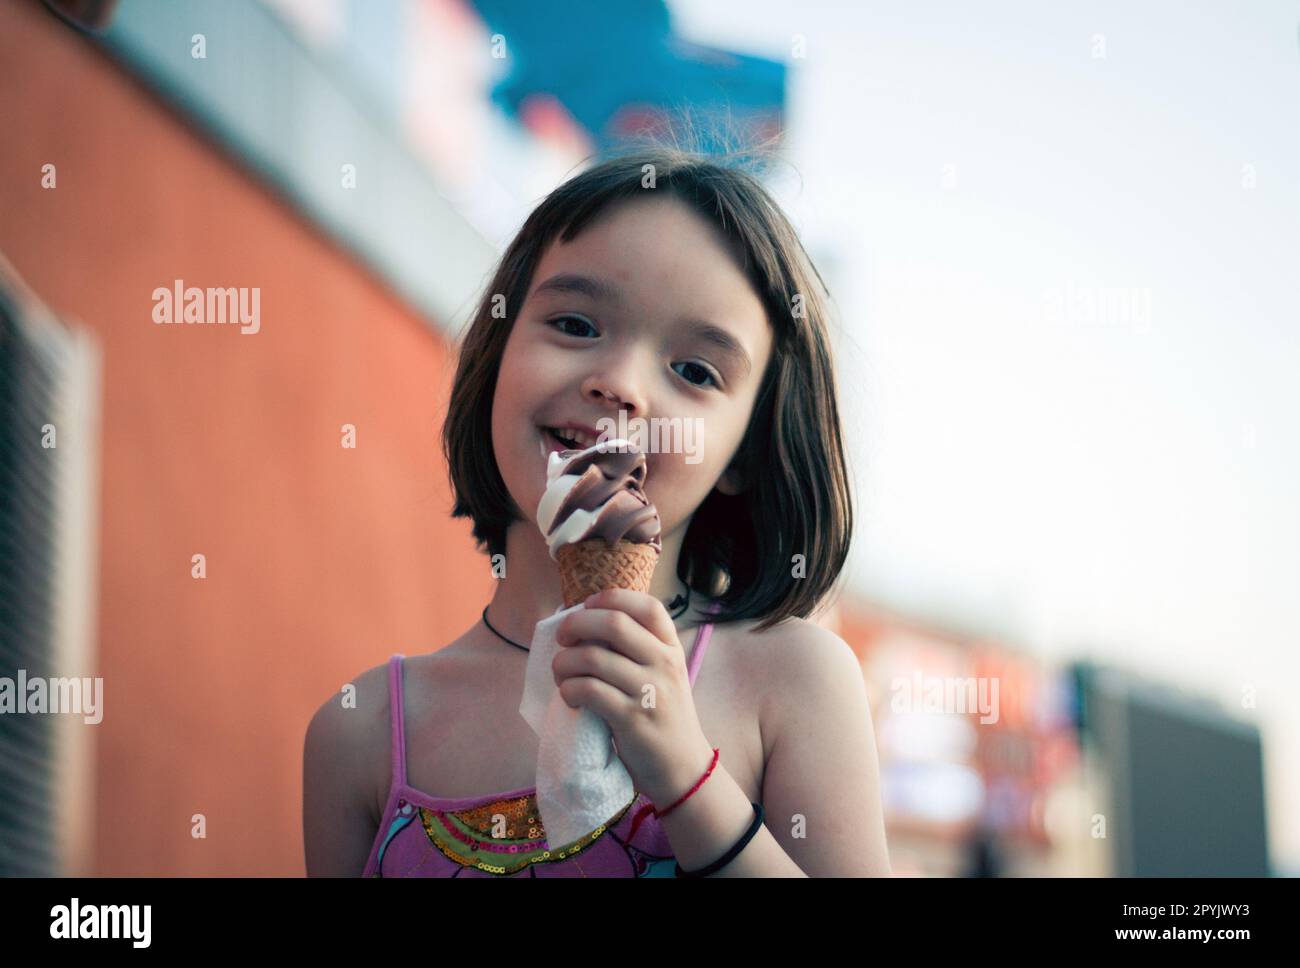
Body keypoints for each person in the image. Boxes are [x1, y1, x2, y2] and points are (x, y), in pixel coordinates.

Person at [303, 141, 891, 877]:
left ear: (746, 451)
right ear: (498, 355)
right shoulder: (362, 732)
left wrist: (685, 773)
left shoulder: (795, 683)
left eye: (695, 370)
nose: (620, 384)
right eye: (577, 325)